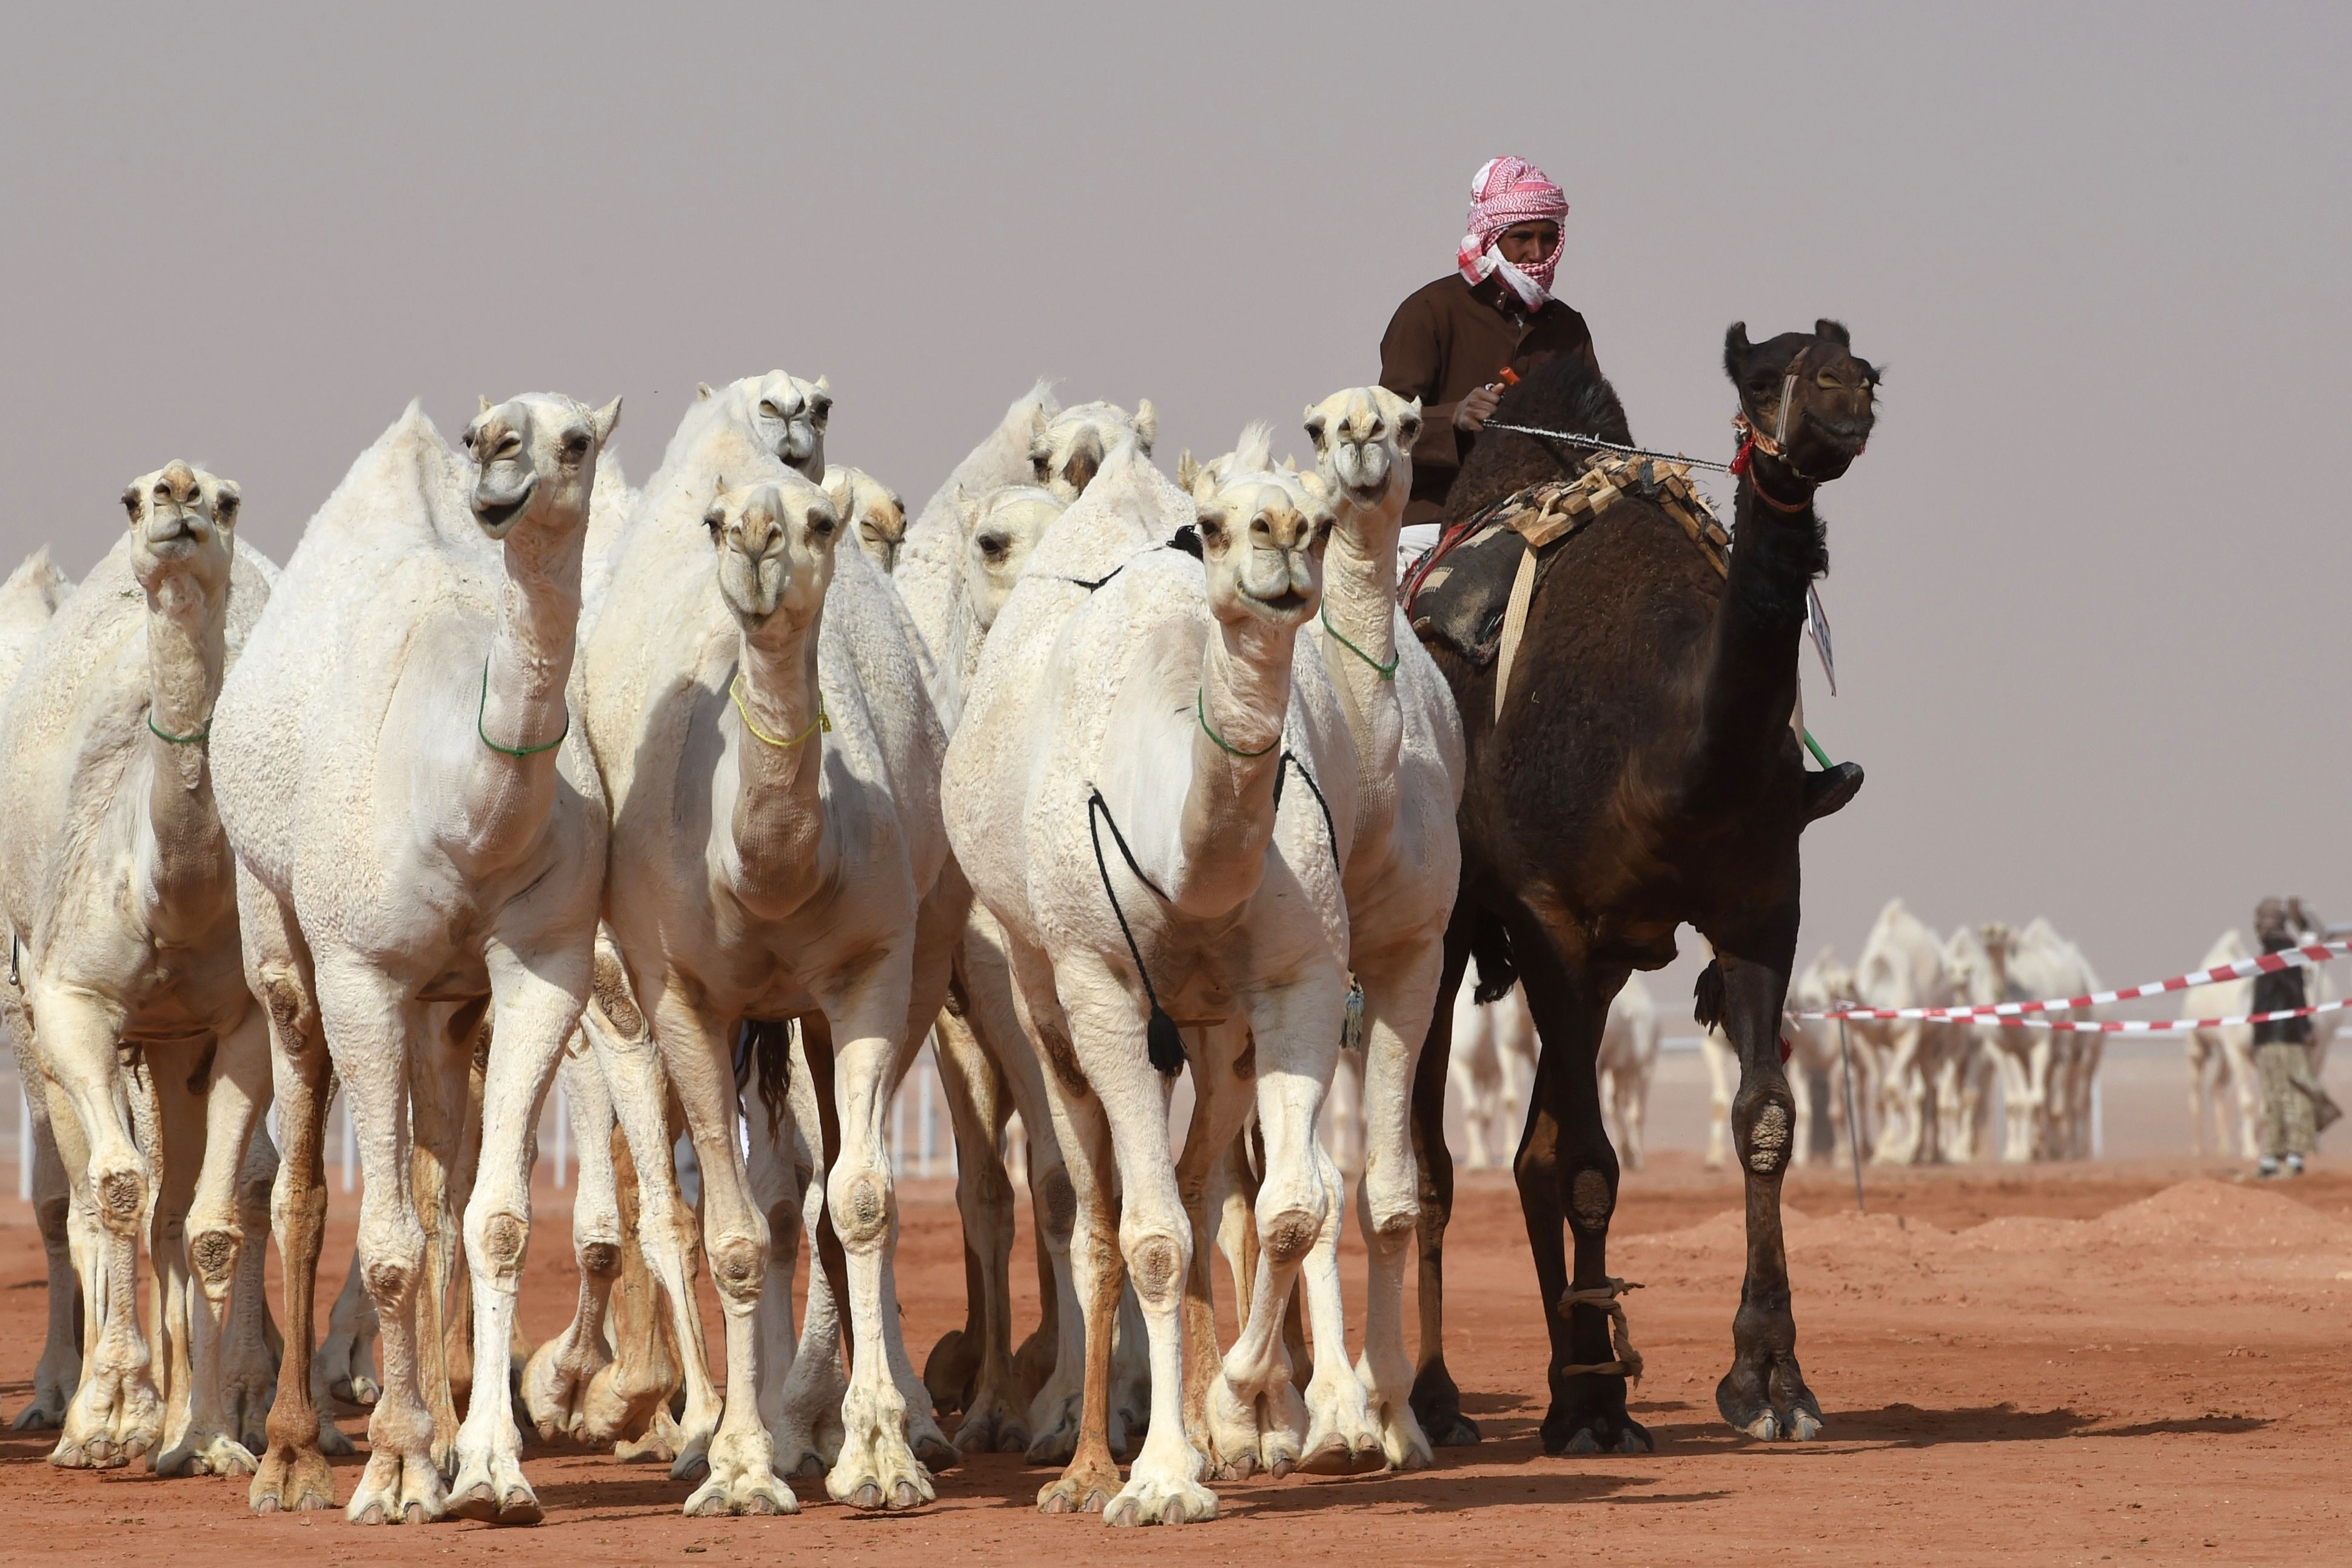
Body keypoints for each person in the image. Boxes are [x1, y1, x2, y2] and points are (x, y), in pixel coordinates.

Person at [1380, 155, 1601, 549]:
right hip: (1434, 523)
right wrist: (1454, 417)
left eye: (1548, 238)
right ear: (1490, 237)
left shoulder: (1567, 327)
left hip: (1543, 519)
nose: (1537, 253)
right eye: (1522, 237)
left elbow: (1595, 429)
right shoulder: (1429, 312)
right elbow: (1381, 430)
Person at [2250, 897, 2339, 1178]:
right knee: (2277, 1095)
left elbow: (2293, 993)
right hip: (2274, 1036)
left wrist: (2301, 1028)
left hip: (2282, 1037)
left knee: (2293, 1094)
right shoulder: (2275, 952)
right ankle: (2273, 1156)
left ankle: (2293, 1156)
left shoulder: (2283, 953)